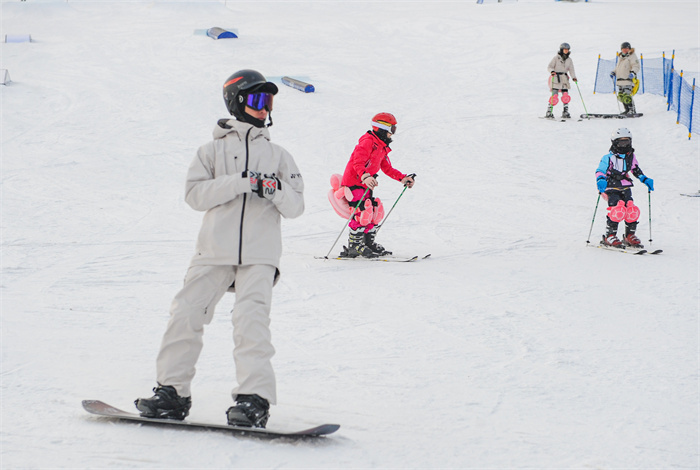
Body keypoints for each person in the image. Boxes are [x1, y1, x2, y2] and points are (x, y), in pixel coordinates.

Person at [134, 69, 305, 428]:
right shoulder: (210, 151)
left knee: (251, 321)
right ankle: (171, 394)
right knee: (185, 313)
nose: (264, 107)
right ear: (237, 101)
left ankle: (253, 399)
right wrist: (241, 182)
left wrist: (272, 189)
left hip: (259, 254)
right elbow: (195, 195)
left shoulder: (279, 156)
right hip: (213, 249)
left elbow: (296, 206)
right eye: (258, 99)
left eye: (269, 101)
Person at [339, 112, 415, 258]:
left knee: (374, 211)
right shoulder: (367, 142)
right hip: (354, 182)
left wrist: (403, 178)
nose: (392, 134)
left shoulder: (381, 146)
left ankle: (367, 242)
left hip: (366, 184)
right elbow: (357, 162)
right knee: (362, 212)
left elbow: (387, 168)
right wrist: (365, 176)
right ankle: (355, 245)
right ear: (382, 128)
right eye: (391, 130)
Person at [595, 127, 654, 248]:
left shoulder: (631, 156)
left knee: (631, 210)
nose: (624, 145)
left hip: (625, 185)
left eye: (626, 142)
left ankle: (629, 235)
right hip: (611, 186)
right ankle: (609, 236)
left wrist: (644, 178)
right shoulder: (608, 157)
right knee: (617, 209)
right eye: (621, 142)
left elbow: (635, 169)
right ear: (615, 143)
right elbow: (600, 170)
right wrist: (600, 180)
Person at [546, 42, 577, 119]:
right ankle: (549, 112)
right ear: (561, 50)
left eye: (567, 49)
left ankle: (565, 112)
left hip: (564, 79)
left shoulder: (569, 60)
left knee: (565, 96)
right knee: (555, 96)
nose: (566, 51)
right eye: (565, 49)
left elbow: (571, 69)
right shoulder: (556, 58)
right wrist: (552, 71)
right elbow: (549, 66)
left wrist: (574, 77)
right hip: (556, 78)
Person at [610, 42, 641, 115]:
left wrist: (633, 73)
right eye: (623, 49)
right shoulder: (621, 57)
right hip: (620, 81)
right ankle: (626, 110)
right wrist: (613, 72)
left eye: (626, 48)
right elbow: (618, 67)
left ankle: (632, 110)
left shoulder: (632, 56)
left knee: (627, 95)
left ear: (629, 48)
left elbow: (636, 66)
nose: (625, 50)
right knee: (622, 96)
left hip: (627, 80)